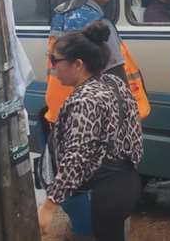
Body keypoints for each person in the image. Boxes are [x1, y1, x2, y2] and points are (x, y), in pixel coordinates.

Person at [38, 21, 143, 241]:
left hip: (99, 193)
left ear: (77, 64)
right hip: (127, 183)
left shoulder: (85, 100)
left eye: (55, 60)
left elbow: (77, 157)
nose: (53, 67)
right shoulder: (114, 82)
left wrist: (49, 206)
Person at [45, 0, 150, 124]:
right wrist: (127, 113)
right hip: (95, 116)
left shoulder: (59, 19)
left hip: (62, 111)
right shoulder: (100, 24)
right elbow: (116, 76)